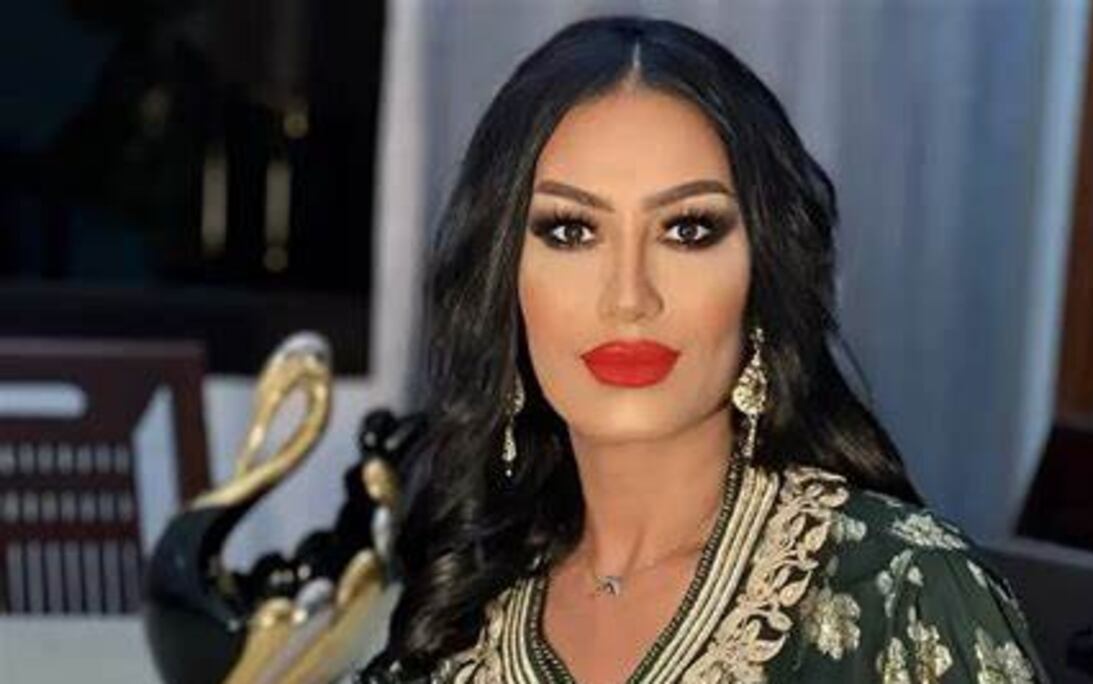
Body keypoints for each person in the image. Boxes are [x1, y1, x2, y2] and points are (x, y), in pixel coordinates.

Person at [359, 14, 1048, 684]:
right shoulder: (462, 618)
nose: (629, 297)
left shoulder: (904, 594)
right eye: (572, 231)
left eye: (687, 230)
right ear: (503, 279)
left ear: (762, 273)